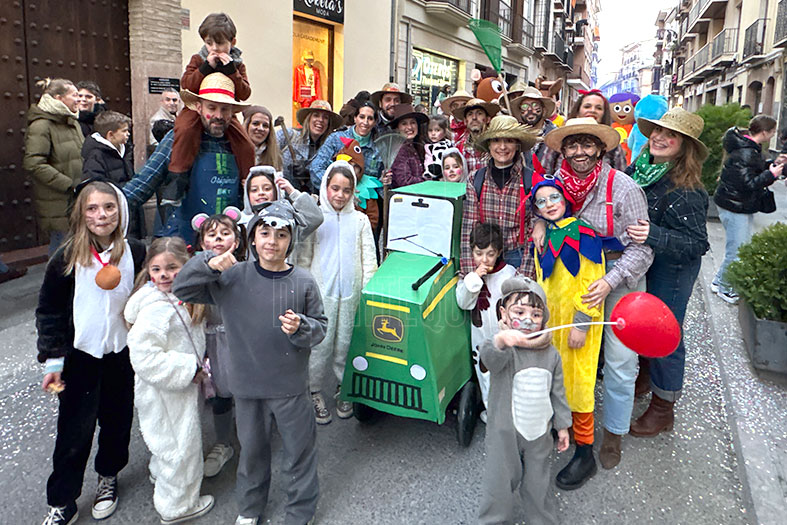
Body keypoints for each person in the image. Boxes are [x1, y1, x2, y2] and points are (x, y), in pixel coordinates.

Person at [173, 199, 327, 525]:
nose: (272, 241)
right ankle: (250, 507)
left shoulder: (303, 281)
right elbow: (182, 287)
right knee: (252, 453)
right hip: (246, 386)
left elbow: (320, 328)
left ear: (291, 241)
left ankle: (300, 511)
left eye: (282, 235)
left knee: (299, 453)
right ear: (252, 238)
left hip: (290, 387)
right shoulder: (232, 277)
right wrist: (208, 262)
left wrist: (302, 326)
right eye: (265, 232)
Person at [535, 117, 653, 470]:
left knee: (619, 361)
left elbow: (642, 249)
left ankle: (613, 432)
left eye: (587, 144)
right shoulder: (558, 183)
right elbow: (542, 204)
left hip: (619, 276)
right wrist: (538, 221)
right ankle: (567, 422)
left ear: (600, 149)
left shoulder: (624, 188)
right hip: (573, 278)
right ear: (563, 150)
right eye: (572, 145)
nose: (580, 152)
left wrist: (610, 281)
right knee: (567, 353)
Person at [36, 181, 146, 525]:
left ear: (121, 210)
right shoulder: (66, 258)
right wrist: (53, 359)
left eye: (109, 207)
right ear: (81, 214)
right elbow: (50, 311)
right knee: (74, 430)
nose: (102, 215)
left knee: (117, 421)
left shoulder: (136, 252)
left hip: (121, 354)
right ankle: (63, 500)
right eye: (92, 208)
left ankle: (108, 476)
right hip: (80, 357)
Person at [623, 107, 711, 438]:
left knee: (665, 334)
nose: (659, 137)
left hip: (672, 270)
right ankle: (647, 376)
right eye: (658, 131)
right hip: (646, 262)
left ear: (684, 147)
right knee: (644, 325)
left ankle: (664, 408)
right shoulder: (640, 169)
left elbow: (697, 243)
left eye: (670, 135)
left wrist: (654, 234)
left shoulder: (687, 189)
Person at [124, 237, 215, 524]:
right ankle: (178, 506)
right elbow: (144, 357)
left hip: (178, 389)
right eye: (156, 269)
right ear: (148, 271)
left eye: (172, 268)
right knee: (180, 447)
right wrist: (189, 369)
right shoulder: (155, 309)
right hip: (167, 390)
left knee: (167, 442)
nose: (164, 275)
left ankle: (161, 476)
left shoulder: (180, 298)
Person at [530, 173, 606, 490]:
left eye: (554, 198)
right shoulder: (543, 235)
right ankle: (561, 432)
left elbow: (593, 283)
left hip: (577, 325)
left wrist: (581, 323)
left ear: (566, 199)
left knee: (578, 384)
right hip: (552, 324)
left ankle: (585, 452)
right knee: (555, 380)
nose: (549, 204)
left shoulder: (583, 235)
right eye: (541, 202)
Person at [478, 277, 570, 525]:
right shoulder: (502, 347)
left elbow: (558, 392)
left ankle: (542, 520)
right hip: (503, 433)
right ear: (504, 314)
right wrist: (501, 342)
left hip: (538, 433)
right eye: (519, 312)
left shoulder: (551, 354)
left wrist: (562, 425)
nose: (528, 319)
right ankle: (494, 520)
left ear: (544, 319)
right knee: (498, 482)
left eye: (536, 314)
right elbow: (488, 360)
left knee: (538, 483)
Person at [123, 72, 252, 244]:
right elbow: (143, 183)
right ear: (199, 108)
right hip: (183, 242)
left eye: (225, 109)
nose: (219, 116)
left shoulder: (239, 145)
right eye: (212, 108)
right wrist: (111, 205)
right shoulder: (178, 140)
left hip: (226, 243)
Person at [296, 161, 377, 424]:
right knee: (319, 346)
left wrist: (367, 293)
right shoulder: (316, 219)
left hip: (351, 295)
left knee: (347, 344)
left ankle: (345, 388)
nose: (340, 195)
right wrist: (303, 294)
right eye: (335, 188)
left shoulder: (361, 221)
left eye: (346, 190)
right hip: (321, 296)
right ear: (325, 187)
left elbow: (369, 260)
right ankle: (314, 390)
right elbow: (304, 259)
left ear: (353, 191)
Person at [191, 209, 246, 481]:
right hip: (212, 343)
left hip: (242, 341)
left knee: (247, 392)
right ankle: (224, 442)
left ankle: (251, 438)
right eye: (212, 235)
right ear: (202, 242)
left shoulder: (245, 270)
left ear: (236, 241)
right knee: (220, 395)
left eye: (225, 233)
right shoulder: (196, 272)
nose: (219, 239)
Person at [169, 13, 254, 180]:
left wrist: (232, 71)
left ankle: (248, 181)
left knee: (246, 145)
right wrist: (206, 67)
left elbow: (245, 93)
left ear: (232, 42)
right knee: (185, 130)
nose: (214, 48)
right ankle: (178, 175)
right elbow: (186, 84)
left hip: (226, 112)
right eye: (209, 43)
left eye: (220, 43)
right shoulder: (198, 59)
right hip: (196, 109)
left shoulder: (238, 65)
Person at [712, 115, 782, 304]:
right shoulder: (747, 151)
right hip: (735, 205)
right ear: (765, 132)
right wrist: (771, 175)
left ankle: (719, 282)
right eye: (772, 132)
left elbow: (750, 171)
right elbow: (748, 183)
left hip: (735, 203)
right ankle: (725, 289)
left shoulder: (747, 147)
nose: (773, 135)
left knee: (737, 246)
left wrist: (770, 165)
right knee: (736, 250)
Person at [460, 115, 539, 276]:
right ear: (489, 145)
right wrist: (471, 274)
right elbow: (469, 228)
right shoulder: (476, 179)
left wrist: (524, 276)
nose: (502, 147)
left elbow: (533, 233)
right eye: (496, 140)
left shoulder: (531, 180)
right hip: (485, 256)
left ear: (517, 145)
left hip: (517, 256)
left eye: (509, 141)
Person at [455, 222, 516, 418]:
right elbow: (464, 303)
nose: (484, 259)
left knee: (508, 374)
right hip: (481, 338)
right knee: (485, 373)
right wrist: (474, 279)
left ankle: (511, 413)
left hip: (504, 337)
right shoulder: (468, 277)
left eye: (490, 254)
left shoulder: (509, 274)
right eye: (479, 253)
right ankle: (492, 413)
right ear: (471, 252)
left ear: (498, 253)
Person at [23, 78, 84, 256]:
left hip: (77, 196)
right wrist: (68, 184)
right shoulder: (41, 125)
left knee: (75, 249)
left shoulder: (71, 122)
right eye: (75, 95)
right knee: (61, 249)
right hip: (58, 200)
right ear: (59, 98)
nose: (79, 99)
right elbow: (34, 163)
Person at [310, 101, 385, 213]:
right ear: (355, 118)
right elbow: (315, 168)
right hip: (334, 204)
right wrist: (337, 188)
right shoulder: (336, 139)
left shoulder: (379, 147)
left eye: (370, 118)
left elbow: (380, 183)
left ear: (374, 122)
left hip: (365, 207)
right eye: (362, 117)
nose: (365, 122)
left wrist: (384, 183)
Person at [239, 165, 323, 262]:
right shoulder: (240, 222)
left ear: (276, 191)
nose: (261, 193)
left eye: (267, 189)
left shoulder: (289, 220)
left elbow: (316, 217)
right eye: (254, 190)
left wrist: (293, 192)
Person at [541, 90, 627, 173]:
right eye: (587, 106)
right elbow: (545, 173)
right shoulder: (559, 138)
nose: (592, 110)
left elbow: (621, 175)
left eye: (599, 108)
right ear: (577, 111)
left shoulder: (613, 146)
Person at [276, 99, 343, 191]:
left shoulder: (330, 149)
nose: (320, 120)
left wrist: (309, 174)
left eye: (325, 117)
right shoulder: (287, 135)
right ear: (309, 118)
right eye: (316, 115)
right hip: (281, 195)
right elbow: (267, 156)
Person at [511, 86, 558, 165]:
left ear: (544, 111)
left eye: (535, 105)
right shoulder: (515, 136)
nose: (529, 110)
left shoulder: (555, 136)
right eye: (524, 106)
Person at [452, 98, 499, 177]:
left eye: (479, 113)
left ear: (488, 119)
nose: (474, 117)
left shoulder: (497, 146)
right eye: (470, 114)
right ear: (465, 121)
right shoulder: (458, 148)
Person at [389, 103, 429, 188]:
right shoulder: (399, 150)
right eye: (404, 124)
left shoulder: (415, 146)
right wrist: (428, 180)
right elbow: (405, 181)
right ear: (397, 128)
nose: (410, 127)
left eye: (413, 122)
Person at [241, 105, 282, 170]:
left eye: (265, 125)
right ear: (247, 125)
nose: (261, 128)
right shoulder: (234, 150)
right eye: (255, 123)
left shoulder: (275, 157)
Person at [423, 114, 453, 180]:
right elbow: (428, 161)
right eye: (430, 130)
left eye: (437, 130)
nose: (433, 133)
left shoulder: (449, 144)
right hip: (433, 177)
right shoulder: (428, 147)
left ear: (444, 132)